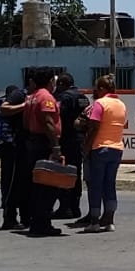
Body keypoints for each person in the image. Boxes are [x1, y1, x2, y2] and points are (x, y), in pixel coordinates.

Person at [75, 74, 127, 234]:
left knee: (95, 185)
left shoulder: (100, 104)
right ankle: (109, 220)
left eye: (97, 88)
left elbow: (94, 128)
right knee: (109, 185)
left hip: (100, 148)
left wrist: (87, 148)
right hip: (117, 149)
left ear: (102, 89)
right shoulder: (121, 104)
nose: (95, 91)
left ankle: (94, 221)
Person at [22, 68, 63, 237]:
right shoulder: (45, 97)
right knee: (48, 185)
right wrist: (55, 146)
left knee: (37, 184)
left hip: (32, 142)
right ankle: (43, 222)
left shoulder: (31, 97)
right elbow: (48, 122)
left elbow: (25, 122)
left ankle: (36, 221)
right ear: (49, 81)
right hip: (44, 144)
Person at [0, 85, 30, 230]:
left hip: (13, 148)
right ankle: (10, 218)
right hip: (12, 148)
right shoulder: (18, 101)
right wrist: (25, 105)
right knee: (11, 184)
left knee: (16, 183)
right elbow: (4, 110)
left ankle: (22, 217)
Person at [54, 73, 91, 220]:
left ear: (62, 84)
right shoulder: (83, 98)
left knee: (64, 174)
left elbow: (58, 118)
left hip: (66, 140)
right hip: (80, 140)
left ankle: (65, 208)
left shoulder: (64, 98)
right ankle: (75, 207)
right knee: (76, 174)